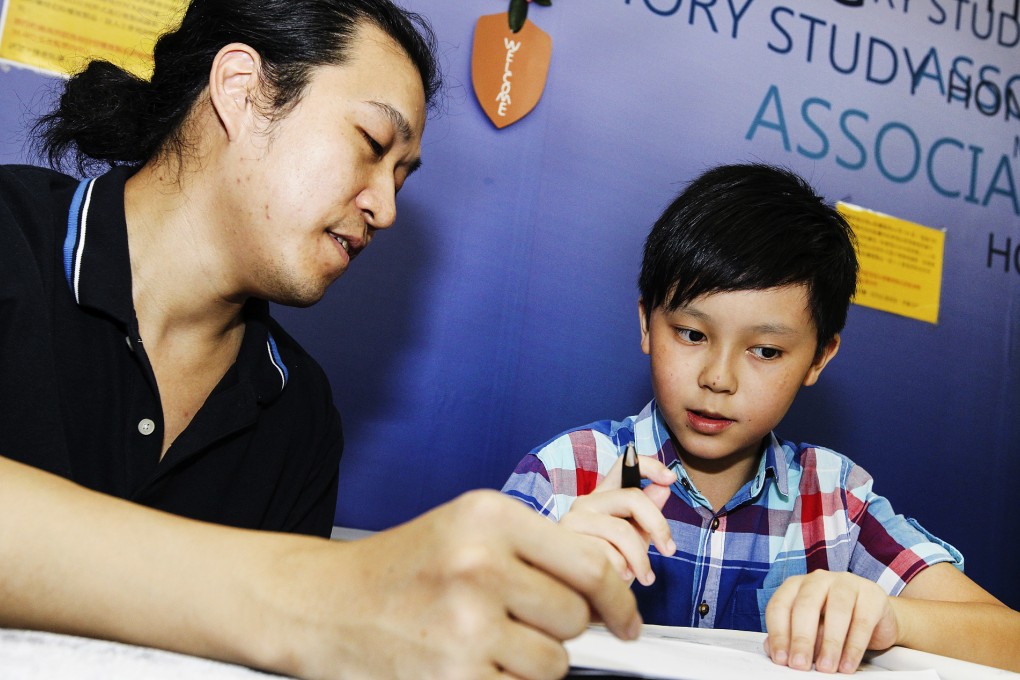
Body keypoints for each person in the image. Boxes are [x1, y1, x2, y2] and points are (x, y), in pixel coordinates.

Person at [0, 1, 646, 677]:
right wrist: (317, 592)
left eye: (400, 173)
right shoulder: (11, 238)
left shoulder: (299, 414)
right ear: (241, 89)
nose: (386, 207)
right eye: (371, 145)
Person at [502, 163, 1020, 674]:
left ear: (819, 357)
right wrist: (549, 577)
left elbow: (1008, 638)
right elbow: (451, 634)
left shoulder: (835, 501)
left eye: (766, 351)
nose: (718, 378)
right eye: (691, 334)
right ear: (646, 324)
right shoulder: (567, 473)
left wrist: (889, 617)